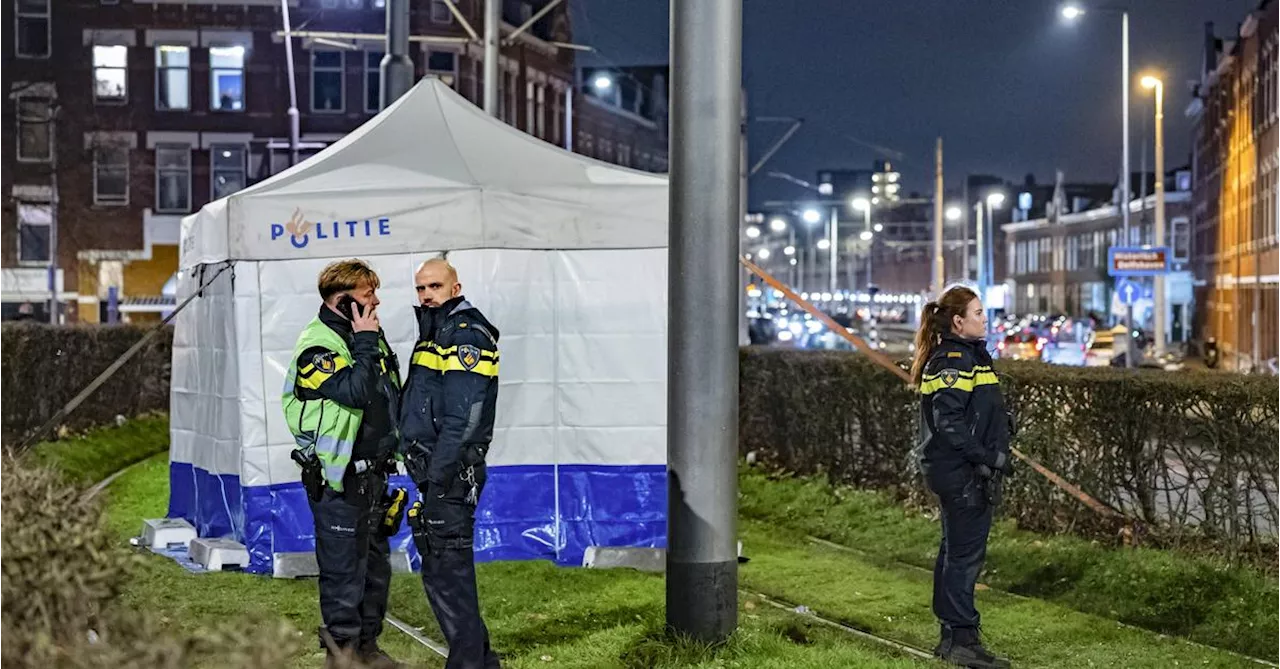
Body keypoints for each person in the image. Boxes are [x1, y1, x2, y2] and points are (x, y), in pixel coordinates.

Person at [281, 259, 404, 669]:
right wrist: (367, 341)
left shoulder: (367, 337)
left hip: (374, 476)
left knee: (374, 572)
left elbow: (387, 394)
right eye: (368, 294)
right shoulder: (317, 347)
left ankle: (367, 650)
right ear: (343, 300)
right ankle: (342, 658)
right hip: (340, 480)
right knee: (343, 574)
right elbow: (353, 392)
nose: (377, 301)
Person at [400, 258, 502, 669]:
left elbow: (464, 420)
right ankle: (481, 660)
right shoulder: (433, 332)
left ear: (455, 288)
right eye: (421, 288)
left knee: (449, 575)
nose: (426, 295)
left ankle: (468, 664)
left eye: (435, 287)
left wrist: (440, 476)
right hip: (434, 474)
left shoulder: (466, 336)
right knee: (443, 574)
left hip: (450, 476)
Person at [911, 285, 1013, 669]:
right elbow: (949, 423)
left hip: (962, 470)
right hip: (962, 472)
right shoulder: (955, 359)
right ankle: (961, 640)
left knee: (955, 551)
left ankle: (952, 637)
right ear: (958, 321)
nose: (985, 319)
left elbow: (969, 413)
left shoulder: (968, 356)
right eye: (978, 313)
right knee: (964, 556)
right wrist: (988, 457)